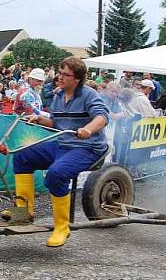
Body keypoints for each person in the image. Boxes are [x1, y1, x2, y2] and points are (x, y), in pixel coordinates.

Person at [6, 57, 109, 247]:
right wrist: (38, 118)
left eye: (65, 75)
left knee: (57, 173)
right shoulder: (59, 96)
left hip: (87, 148)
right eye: (59, 73)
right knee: (22, 156)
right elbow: (55, 123)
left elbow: (102, 117)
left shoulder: (88, 95)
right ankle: (24, 211)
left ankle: (62, 227)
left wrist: (88, 129)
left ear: (77, 78)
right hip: (63, 145)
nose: (60, 78)